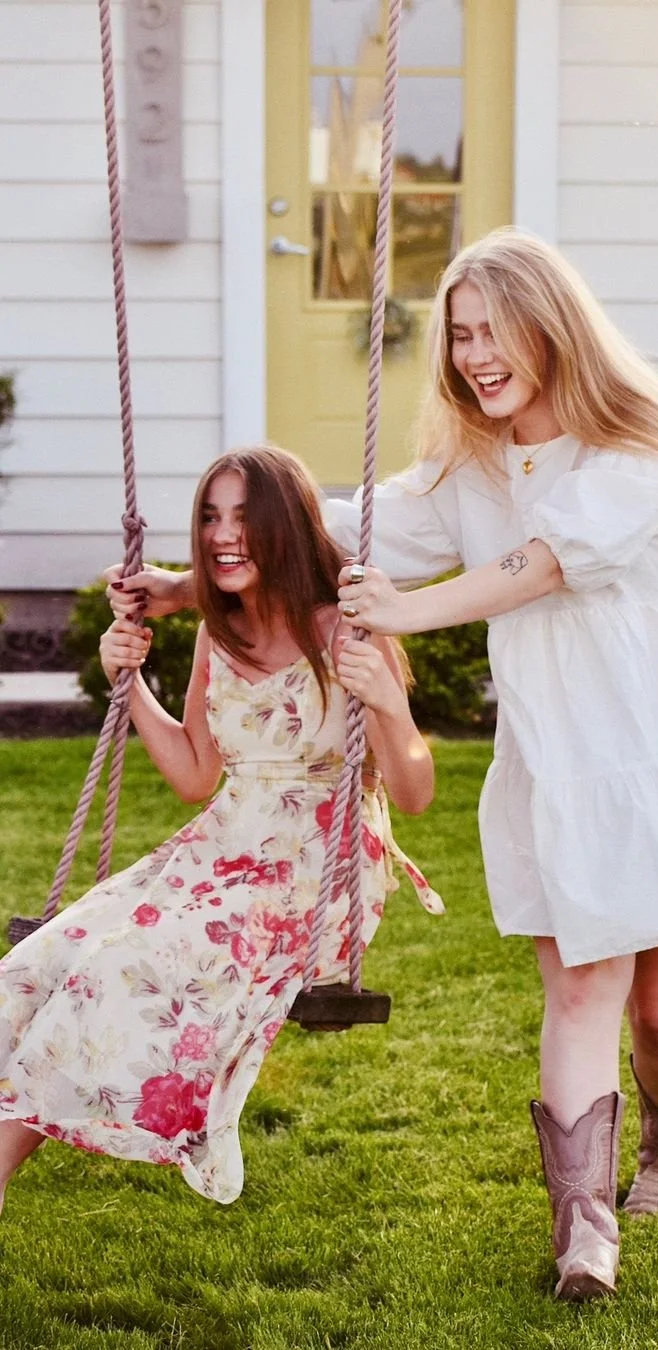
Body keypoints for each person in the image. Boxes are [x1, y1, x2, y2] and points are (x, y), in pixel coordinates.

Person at [106, 230, 658, 1300]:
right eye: (460, 336)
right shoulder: (467, 467)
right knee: (584, 980)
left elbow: (544, 563)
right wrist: (198, 580)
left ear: (550, 326)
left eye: (493, 331)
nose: (474, 355)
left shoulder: (633, 441)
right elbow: (325, 537)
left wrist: (415, 609)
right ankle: (583, 1231)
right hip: (564, 758)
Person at [0, 446, 441, 1214]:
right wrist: (128, 684)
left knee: (122, 968)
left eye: (242, 516)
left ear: (283, 525)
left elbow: (415, 794)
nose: (221, 535)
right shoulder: (218, 629)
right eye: (209, 516)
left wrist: (394, 710)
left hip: (316, 874)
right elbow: (197, 775)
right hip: (221, 847)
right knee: (39, 963)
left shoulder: (350, 627)